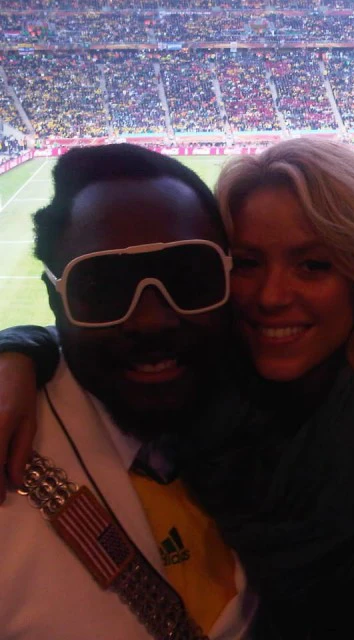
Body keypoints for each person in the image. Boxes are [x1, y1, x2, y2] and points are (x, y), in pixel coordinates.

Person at [1, 138, 354, 638]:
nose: (271, 297)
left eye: (313, 265)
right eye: (248, 263)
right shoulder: (222, 402)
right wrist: (19, 348)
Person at [0, 144, 256, 640]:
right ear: (55, 300)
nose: (151, 320)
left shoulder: (279, 412)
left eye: (190, 278)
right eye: (102, 289)